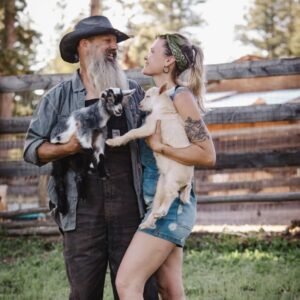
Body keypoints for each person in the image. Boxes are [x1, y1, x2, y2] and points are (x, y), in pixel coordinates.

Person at [23, 15, 158, 300]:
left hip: (130, 205)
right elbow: (32, 149)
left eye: (115, 42)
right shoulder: (57, 98)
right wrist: (66, 148)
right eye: (107, 41)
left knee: (139, 290)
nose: (114, 47)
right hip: (80, 207)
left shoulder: (133, 94)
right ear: (84, 45)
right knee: (84, 292)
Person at [115, 33, 216, 300]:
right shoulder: (156, 97)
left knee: (126, 283)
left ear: (169, 61)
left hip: (170, 208)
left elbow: (207, 155)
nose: (146, 56)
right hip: (160, 204)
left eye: (152, 51)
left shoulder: (180, 97)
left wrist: (161, 148)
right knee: (169, 288)